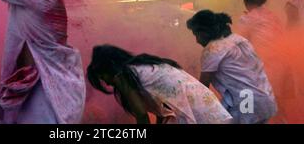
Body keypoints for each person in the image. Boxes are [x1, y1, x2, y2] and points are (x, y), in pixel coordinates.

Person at [87, 44, 233, 124]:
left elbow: (142, 116)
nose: (105, 81)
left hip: (197, 114)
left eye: (102, 76)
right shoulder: (144, 66)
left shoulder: (123, 75)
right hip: (210, 109)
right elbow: (163, 110)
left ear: (110, 67)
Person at [187, 10, 277, 124]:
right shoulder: (239, 39)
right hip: (265, 98)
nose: (197, 40)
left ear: (204, 32)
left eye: (196, 34)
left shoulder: (212, 49)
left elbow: (202, 88)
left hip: (246, 102)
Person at [238, 0, 292, 123]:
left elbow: (239, 44)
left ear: (245, 2)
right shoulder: (272, 15)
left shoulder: (248, 18)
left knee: (256, 107)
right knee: (278, 106)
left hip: (264, 67)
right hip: (282, 65)